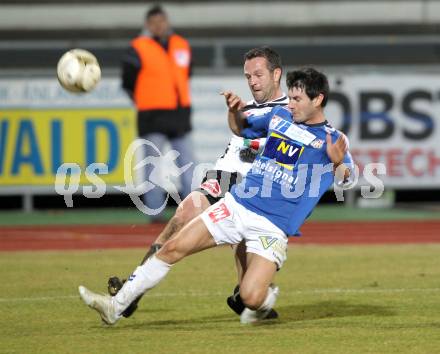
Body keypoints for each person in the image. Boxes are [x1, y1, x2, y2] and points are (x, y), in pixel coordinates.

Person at [79, 67, 354, 325]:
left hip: (273, 226)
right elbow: (241, 128)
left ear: (318, 99)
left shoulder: (333, 139)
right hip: (238, 204)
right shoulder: (280, 116)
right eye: (290, 97)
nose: (290, 104)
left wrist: (338, 164)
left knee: (250, 297)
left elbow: (348, 178)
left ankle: (264, 299)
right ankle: (115, 307)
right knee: (173, 247)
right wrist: (234, 111)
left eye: (297, 99)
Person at [108, 46, 288, 319]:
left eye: (258, 74)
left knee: (244, 254)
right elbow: (240, 128)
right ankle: (131, 293)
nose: (252, 81)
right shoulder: (247, 108)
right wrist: (233, 112)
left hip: (257, 187)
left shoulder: (290, 110)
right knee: (184, 214)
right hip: (225, 176)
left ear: (277, 74)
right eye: (247, 76)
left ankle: (247, 297)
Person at [121, 5, 195, 216]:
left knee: (188, 165)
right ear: (147, 25)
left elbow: (186, 74)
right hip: (152, 115)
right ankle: (154, 213)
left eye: (162, 21)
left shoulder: (181, 44)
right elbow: (128, 82)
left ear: (167, 22)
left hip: (179, 115)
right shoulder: (137, 47)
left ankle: (191, 213)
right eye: (154, 22)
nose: (159, 26)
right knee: (152, 167)